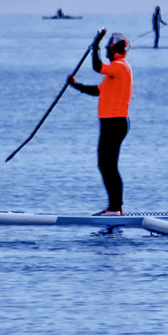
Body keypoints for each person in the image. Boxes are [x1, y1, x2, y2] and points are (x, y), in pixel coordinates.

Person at [66, 29, 133, 215]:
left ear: (115, 49)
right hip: (110, 123)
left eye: (107, 47)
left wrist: (94, 45)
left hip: (115, 123)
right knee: (106, 164)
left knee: (107, 165)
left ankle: (115, 208)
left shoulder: (120, 66)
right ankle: (116, 207)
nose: (106, 50)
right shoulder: (115, 72)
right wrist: (76, 85)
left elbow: (97, 67)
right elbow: (98, 91)